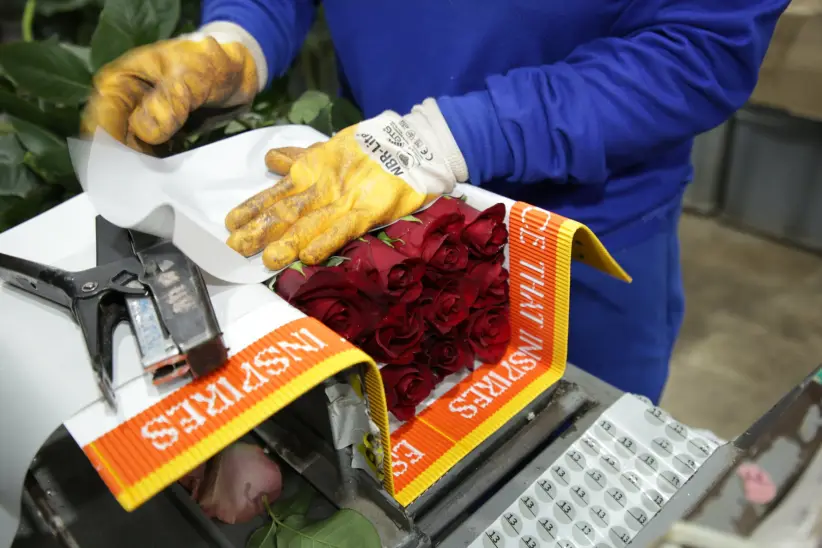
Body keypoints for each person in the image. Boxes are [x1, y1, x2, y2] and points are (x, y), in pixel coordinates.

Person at [81, 0, 789, 403]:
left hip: (575, 241)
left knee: (578, 475)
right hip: (373, 206)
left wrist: (448, 138)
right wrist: (237, 38)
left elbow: (699, 46)